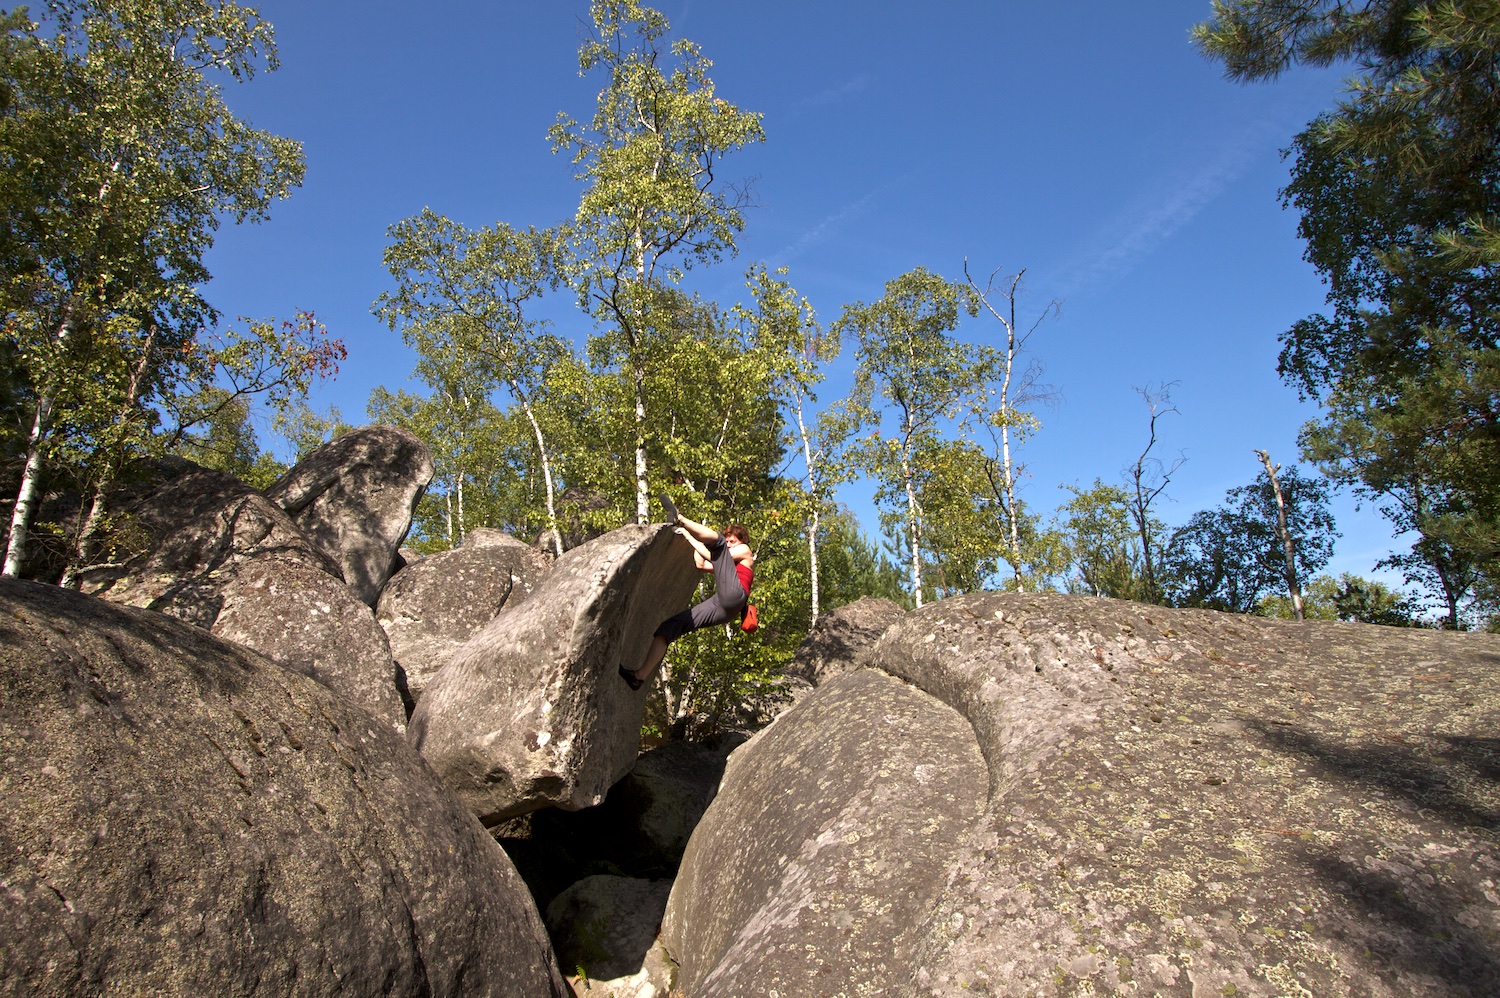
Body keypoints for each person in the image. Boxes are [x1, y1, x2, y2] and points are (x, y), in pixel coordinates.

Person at [621, 495, 754, 691]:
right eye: (727, 541)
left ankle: (679, 516)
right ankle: (638, 677)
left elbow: (713, 552)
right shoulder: (725, 564)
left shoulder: (745, 551)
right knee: (669, 627)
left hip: (735, 596)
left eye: (732, 540)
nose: (729, 543)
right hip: (724, 607)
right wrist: (691, 542)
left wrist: (687, 532)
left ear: (741, 541)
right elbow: (701, 564)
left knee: (715, 543)